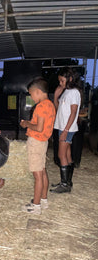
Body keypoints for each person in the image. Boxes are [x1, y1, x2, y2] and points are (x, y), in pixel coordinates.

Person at [20, 77, 56, 214]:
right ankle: (43, 200)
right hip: (44, 142)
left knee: (37, 176)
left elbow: (39, 128)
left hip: (36, 142)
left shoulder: (41, 106)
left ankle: (35, 206)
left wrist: (26, 124)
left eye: (31, 94)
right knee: (42, 171)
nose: (31, 97)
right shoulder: (50, 105)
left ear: (38, 92)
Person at [50, 67, 81, 193]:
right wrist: (56, 97)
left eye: (62, 81)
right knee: (67, 155)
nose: (60, 83)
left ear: (70, 79)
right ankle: (67, 182)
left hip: (66, 128)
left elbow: (73, 113)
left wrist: (66, 130)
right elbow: (59, 110)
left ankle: (64, 185)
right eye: (59, 81)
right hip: (62, 126)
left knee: (61, 155)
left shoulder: (74, 92)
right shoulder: (66, 92)